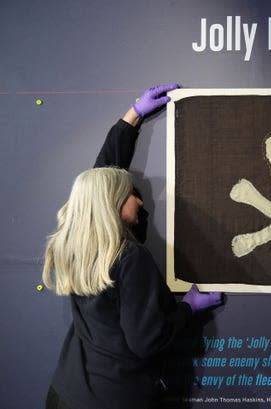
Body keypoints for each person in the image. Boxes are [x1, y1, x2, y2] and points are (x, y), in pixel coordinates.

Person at [43, 85, 223, 409]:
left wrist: (133, 117)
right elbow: (146, 341)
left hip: (66, 393)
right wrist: (189, 309)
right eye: (131, 194)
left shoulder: (75, 241)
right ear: (113, 201)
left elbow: (100, 183)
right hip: (116, 398)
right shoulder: (128, 258)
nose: (139, 200)